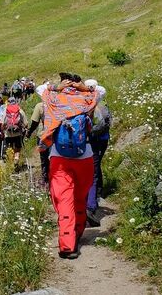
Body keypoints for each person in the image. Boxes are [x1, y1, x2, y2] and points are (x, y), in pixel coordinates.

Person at [36, 73, 102, 259]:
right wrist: (83, 88)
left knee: (64, 200)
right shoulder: (87, 99)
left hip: (59, 158)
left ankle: (67, 245)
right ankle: (78, 232)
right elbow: (101, 90)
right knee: (80, 197)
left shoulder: (54, 99)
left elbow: (40, 88)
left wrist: (57, 87)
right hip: (85, 156)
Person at [84, 79, 111, 227]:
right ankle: (95, 200)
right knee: (95, 169)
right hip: (101, 140)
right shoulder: (102, 104)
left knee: (91, 171)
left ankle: (90, 203)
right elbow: (107, 123)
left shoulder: (83, 104)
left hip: (88, 142)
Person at [0, 97, 28, 171]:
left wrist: (2, 132)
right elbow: (26, 124)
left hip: (8, 134)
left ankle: (11, 165)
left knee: (9, 149)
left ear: (8, 103)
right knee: (17, 149)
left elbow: (3, 124)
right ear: (15, 102)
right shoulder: (20, 110)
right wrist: (24, 129)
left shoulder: (5, 111)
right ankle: (16, 159)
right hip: (18, 134)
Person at [26, 97, 49, 188]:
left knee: (44, 159)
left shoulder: (40, 106)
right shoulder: (59, 104)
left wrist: (29, 133)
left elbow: (34, 123)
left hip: (43, 136)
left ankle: (45, 179)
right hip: (56, 136)